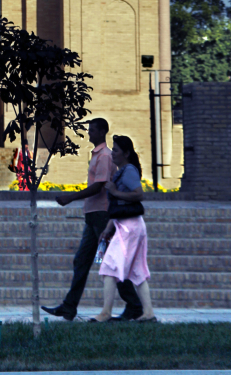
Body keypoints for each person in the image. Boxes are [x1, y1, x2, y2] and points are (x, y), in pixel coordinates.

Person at [41, 118, 144, 321]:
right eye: (89, 130)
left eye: (93, 130)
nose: (89, 133)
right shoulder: (98, 154)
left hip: (101, 216)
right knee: (82, 260)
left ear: (103, 132)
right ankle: (69, 307)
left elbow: (99, 186)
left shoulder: (105, 156)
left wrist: (70, 197)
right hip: (92, 217)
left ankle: (134, 305)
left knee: (109, 261)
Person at [91, 134, 156, 323]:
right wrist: (109, 227)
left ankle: (105, 313)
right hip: (128, 224)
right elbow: (118, 207)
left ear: (126, 153)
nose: (113, 154)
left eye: (116, 150)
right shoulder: (123, 171)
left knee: (109, 266)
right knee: (137, 271)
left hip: (130, 227)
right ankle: (149, 313)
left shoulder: (128, 171)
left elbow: (139, 194)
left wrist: (114, 191)